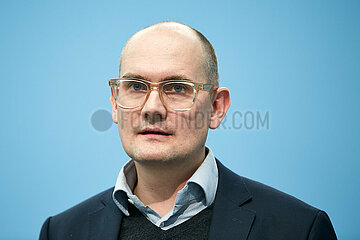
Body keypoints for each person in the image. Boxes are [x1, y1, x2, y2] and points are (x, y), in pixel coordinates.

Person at [39, 21, 337, 240]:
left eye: (177, 88)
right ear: (115, 104)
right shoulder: (62, 231)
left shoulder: (299, 228)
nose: (151, 107)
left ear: (217, 108)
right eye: (136, 86)